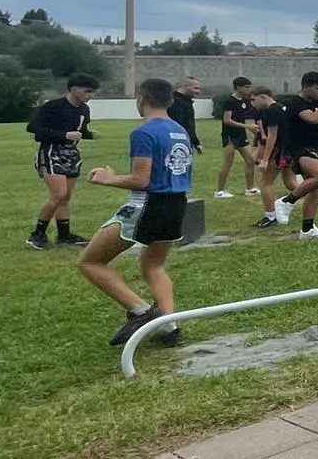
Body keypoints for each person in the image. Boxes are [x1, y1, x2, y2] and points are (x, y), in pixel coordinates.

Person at [76, 77, 193, 349]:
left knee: (90, 262)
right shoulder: (180, 130)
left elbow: (141, 179)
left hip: (147, 204)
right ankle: (168, 326)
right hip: (177, 204)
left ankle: (141, 312)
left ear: (141, 98)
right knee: (153, 265)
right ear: (171, 100)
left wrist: (107, 178)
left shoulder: (144, 132)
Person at [26, 73, 101, 249]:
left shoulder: (83, 110)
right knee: (58, 194)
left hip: (71, 153)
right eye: (87, 91)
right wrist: (63, 135)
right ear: (73, 89)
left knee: (65, 197)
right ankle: (37, 235)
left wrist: (89, 134)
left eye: (93, 92)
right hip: (52, 151)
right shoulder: (53, 107)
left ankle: (64, 235)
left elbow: (79, 130)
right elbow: (34, 127)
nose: (90, 95)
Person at [271, 72, 318, 237]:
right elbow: (313, 118)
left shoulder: (315, 102)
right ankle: (286, 202)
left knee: (316, 189)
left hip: (313, 147)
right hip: (297, 148)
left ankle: (307, 229)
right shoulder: (295, 103)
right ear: (306, 86)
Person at [250, 86, 294, 229]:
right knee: (290, 184)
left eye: (253, 99)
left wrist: (265, 159)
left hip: (278, 152)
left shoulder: (271, 111)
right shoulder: (282, 108)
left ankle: (270, 216)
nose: (252, 103)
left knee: (265, 183)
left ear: (263, 97)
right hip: (288, 149)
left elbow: (272, 137)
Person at [213, 76, 258, 199]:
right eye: (246, 87)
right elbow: (227, 120)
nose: (249, 90)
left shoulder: (244, 101)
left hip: (240, 135)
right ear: (238, 87)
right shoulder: (229, 101)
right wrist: (247, 126)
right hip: (229, 136)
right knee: (228, 163)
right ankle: (219, 191)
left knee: (250, 160)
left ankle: (250, 188)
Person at [169, 76, 202, 160]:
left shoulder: (186, 101)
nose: (198, 92)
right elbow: (177, 123)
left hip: (185, 140)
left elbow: (189, 124)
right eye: (195, 88)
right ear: (186, 86)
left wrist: (195, 142)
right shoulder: (175, 102)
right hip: (177, 141)